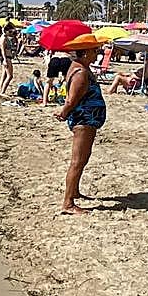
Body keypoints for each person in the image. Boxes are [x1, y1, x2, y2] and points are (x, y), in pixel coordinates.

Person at [54, 35, 107, 215]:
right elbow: (71, 100)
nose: (97, 53)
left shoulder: (80, 67)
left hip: (87, 120)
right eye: (94, 50)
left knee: (83, 158)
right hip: (83, 120)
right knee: (77, 161)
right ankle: (68, 203)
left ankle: (74, 191)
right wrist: (64, 112)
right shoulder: (81, 72)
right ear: (85, 53)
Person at [0, 26, 16, 95]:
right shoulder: (3, 38)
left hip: (7, 57)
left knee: (4, 75)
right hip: (6, 58)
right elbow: (3, 50)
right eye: (9, 31)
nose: (10, 33)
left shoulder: (5, 38)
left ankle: (1, 90)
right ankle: (3, 91)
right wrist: (5, 60)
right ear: (6, 31)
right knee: (10, 76)